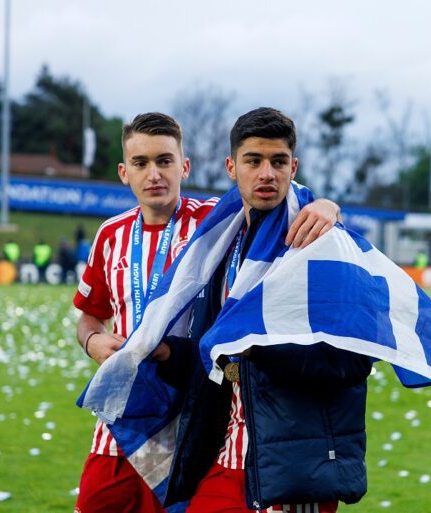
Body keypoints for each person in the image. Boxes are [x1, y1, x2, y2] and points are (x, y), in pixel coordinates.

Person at [72, 112, 339, 513]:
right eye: (141, 163)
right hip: (124, 417)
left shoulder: (216, 223)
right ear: (124, 172)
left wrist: (328, 206)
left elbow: (277, 195)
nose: (154, 174)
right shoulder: (110, 235)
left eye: (165, 160)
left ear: (185, 166)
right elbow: (88, 318)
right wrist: (93, 341)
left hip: (192, 418)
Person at [152, 107, 371, 513]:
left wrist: (259, 347)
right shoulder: (221, 245)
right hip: (229, 457)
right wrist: (168, 354)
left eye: (278, 161)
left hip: (291, 467)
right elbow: (221, 361)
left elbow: (352, 359)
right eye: (253, 161)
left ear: (294, 167)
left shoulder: (322, 245)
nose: (266, 173)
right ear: (231, 167)